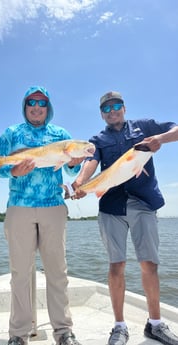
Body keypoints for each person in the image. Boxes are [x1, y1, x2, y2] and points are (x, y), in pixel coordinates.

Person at [72, 91, 178, 345]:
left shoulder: (144, 127)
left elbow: (175, 129)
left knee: (149, 264)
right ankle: (119, 326)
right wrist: (79, 183)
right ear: (101, 113)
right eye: (106, 108)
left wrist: (159, 139)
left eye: (116, 105)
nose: (112, 111)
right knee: (116, 265)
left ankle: (155, 324)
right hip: (111, 205)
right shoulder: (97, 139)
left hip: (143, 202)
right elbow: (90, 161)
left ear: (124, 107)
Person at [0, 86, 86, 345]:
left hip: (53, 207)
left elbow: (71, 171)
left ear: (48, 107)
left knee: (58, 272)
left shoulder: (61, 135)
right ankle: (18, 334)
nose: (36, 107)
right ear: (25, 106)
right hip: (19, 208)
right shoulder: (12, 133)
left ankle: (64, 331)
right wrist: (13, 172)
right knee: (20, 274)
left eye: (42, 103)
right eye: (31, 102)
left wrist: (72, 161)